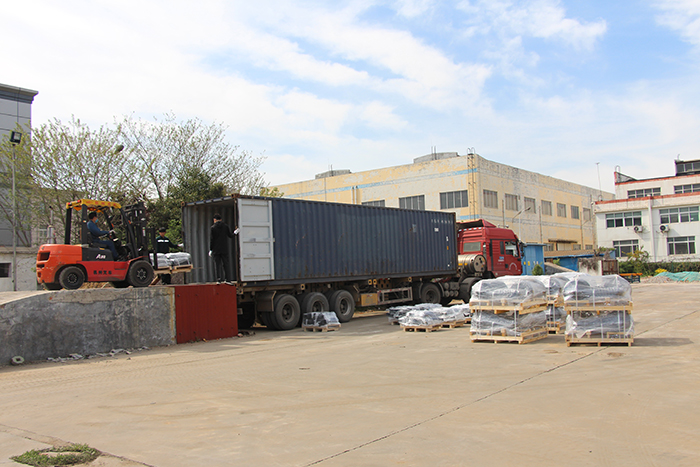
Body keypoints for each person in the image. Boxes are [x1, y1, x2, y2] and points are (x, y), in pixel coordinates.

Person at [210, 213, 235, 282]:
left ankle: (219, 279)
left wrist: (211, 249)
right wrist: (235, 233)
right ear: (221, 219)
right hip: (224, 249)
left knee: (217, 265)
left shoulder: (213, 228)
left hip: (216, 249)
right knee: (226, 264)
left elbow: (212, 240)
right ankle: (228, 279)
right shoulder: (225, 226)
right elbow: (230, 235)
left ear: (214, 220)